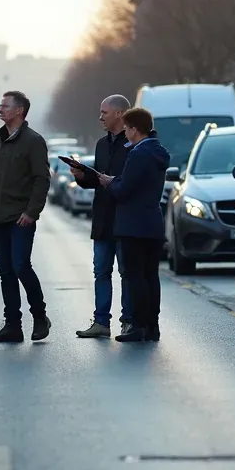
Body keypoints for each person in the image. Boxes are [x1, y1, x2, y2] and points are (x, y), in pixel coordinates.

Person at [0, 90, 53, 343]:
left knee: (21, 265)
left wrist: (32, 212)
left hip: (20, 217)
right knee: (6, 271)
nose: (0, 110)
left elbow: (41, 179)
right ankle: (13, 325)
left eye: (5, 106)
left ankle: (40, 316)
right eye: (0, 105)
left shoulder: (33, 141)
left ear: (19, 110)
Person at [98, 107, 170, 342]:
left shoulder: (138, 154)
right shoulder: (158, 151)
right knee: (150, 276)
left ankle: (138, 325)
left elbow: (125, 189)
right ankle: (153, 326)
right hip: (152, 222)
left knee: (134, 276)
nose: (125, 133)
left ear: (135, 129)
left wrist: (109, 183)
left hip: (132, 224)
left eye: (127, 128)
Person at [71, 95, 134, 339]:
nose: (100, 117)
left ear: (119, 114)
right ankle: (101, 322)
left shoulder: (132, 144)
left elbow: (130, 181)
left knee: (126, 272)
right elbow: (98, 180)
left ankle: (128, 320)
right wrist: (80, 176)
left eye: (104, 112)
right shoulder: (100, 144)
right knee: (101, 271)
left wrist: (112, 182)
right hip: (103, 218)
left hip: (125, 218)